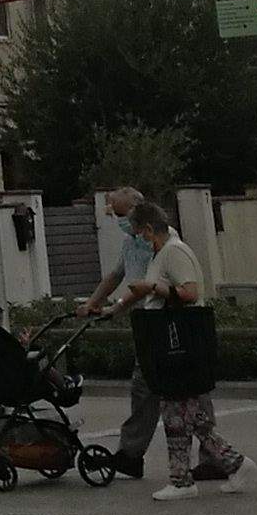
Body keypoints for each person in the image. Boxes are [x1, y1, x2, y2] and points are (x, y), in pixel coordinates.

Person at [121, 199, 243, 499]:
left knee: (179, 412)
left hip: (176, 342)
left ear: (149, 229)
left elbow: (189, 292)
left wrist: (151, 289)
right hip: (167, 343)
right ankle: (224, 465)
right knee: (184, 414)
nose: (137, 239)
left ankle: (189, 478)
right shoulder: (161, 252)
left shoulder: (173, 251)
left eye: (138, 233)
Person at [78, 185, 165, 481]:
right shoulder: (131, 241)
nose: (119, 220)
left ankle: (131, 454)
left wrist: (115, 308)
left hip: (163, 321)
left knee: (162, 387)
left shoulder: (162, 240)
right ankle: (131, 454)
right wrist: (92, 302)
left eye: (121, 213)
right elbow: (116, 275)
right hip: (145, 321)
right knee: (147, 389)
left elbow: (146, 285)